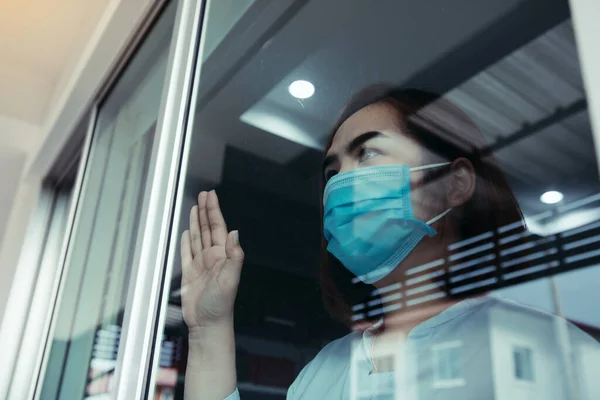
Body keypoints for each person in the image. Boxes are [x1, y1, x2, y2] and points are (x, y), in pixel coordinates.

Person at [180, 85, 599, 400]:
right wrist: (208, 332)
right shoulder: (323, 372)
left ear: (454, 185)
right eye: (332, 172)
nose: (342, 180)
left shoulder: (550, 355)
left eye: (367, 154)